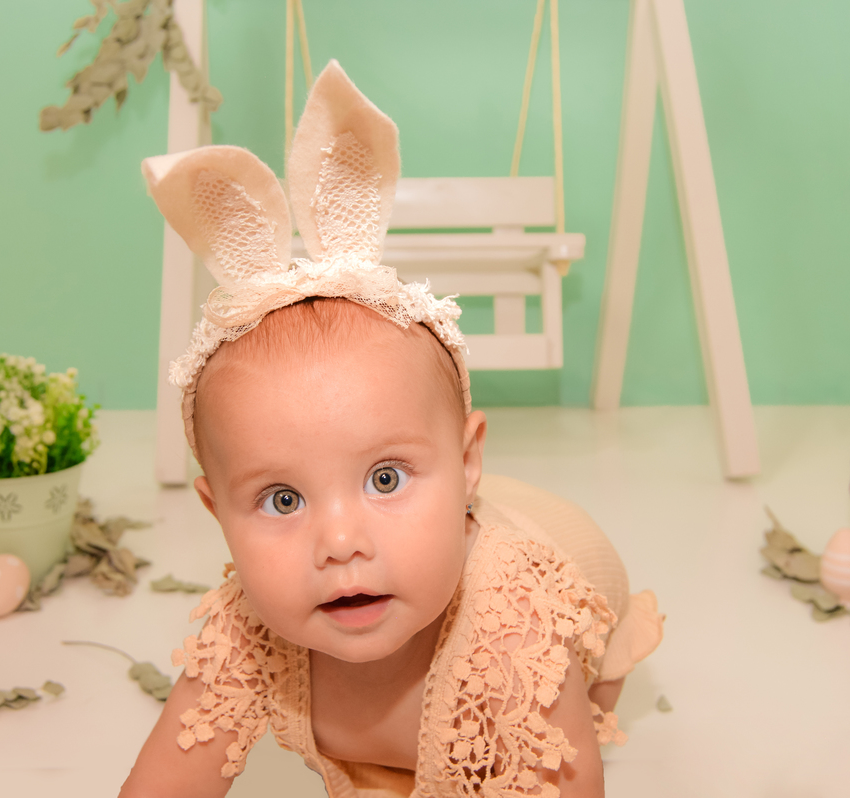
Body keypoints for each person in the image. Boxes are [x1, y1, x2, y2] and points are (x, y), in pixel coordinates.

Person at [120, 62, 662, 798]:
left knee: (571, 717)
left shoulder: (519, 629)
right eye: (283, 499)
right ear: (217, 510)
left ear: (467, 462)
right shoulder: (245, 628)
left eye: (385, 478)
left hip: (565, 551)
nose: (340, 541)